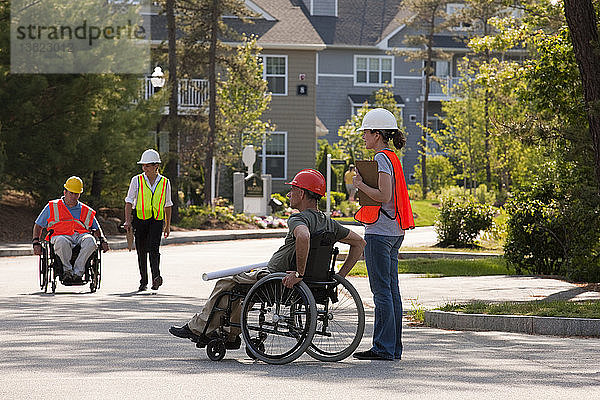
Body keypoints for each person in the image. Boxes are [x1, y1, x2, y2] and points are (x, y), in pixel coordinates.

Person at [169, 169, 366, 348]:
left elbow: (304, 236)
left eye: (293, 189)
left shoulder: (299, 219)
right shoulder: (329, 223)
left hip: (277, 279)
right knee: (241, 290)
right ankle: (229, 335)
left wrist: (299, 273)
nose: (289, 194)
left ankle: (198, 328)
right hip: (310, 283)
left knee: (226, 283)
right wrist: (339, 276)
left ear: (303, 194)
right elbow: (359, 244)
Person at [352, 108, 415, 361]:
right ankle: (392, 347)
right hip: (395, 230)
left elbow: (384, 196)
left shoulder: (381, 158)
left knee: (381, 292)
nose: (364, 137)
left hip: (380, 233)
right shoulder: (392, 157)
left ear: (377, 134)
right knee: (392, 291)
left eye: (366, 133)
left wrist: (360, 186)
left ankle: (383, 348)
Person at [32, 176, 109, 280]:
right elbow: (38, 225)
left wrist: (103, 240)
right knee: (61, 241)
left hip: (80, 236)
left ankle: (78, 272)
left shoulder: (86, 210)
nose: (73, 196)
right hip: (60, 235)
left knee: (91, 241)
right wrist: (36, 242)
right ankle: (67, 272)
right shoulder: (52, 206)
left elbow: (96, 227)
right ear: (65, 192)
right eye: (71, 193)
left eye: (76, 194)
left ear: (79, 194)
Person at [123, 149, 172, 292]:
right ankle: (143, 280)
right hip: (140, 219)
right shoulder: (136, 180)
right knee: (141, 251)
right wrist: (127, 221)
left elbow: (168, 205)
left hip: (157, 220)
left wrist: (167, 226)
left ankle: (156, 277)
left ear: (156, 166)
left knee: (154, 249)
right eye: (143, 165)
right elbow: (129, 201)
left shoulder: (165, 182)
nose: (144, 168)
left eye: (147, 165)